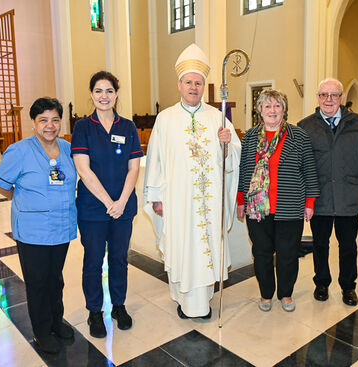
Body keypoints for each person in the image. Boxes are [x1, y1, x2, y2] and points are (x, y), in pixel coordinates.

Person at [143, 43, 241, 319]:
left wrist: (226, 145)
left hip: (210, 202)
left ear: (203, 86)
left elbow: (233, 158)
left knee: (206, 245)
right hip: (178, 200)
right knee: (183, 246)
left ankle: (203, 301)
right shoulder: (165, 119)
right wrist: (155, 197)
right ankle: (183, 300)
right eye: (189, 82)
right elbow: (156, 160)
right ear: (179, 84)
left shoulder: (217, 117)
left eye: (198, 83)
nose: (194, 87)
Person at [0, 97, 77, 354]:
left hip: (61, 226)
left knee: (55, 278)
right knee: (37, 281)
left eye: (55, 120)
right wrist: (21, 199)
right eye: (43, 120)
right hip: (33, 230)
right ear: (33, 123)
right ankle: (41, 331)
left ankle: (55, 321)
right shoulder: (20, 150)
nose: (50, 125)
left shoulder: (67, 147)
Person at [71, 71, 142, 338]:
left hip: (122, 209)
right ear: (91, 95)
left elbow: (133, 168)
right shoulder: (83, 127)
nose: (104, 96)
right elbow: (83, 169)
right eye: (99, 91)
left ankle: (118, 306)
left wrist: (121, 202)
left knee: (119, 259)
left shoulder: (128, 127)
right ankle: (94, 311)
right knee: (93, 260)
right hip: (92, 209)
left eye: (109, 91)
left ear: (116, 94)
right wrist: (108, 202)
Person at [237, 89, 319, 312]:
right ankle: (266, 294)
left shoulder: (298, 136)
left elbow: (309, 170)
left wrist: (310, 202)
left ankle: (285, 294)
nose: (272, 111)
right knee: (262, 253)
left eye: (277, 106)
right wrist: (241, 200)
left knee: (288, 253)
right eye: (267, 106)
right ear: (260, 111)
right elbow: (244, 170)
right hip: (257, 208)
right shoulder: (250, 137)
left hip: (289, 206)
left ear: (284, 110)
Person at [298, 78, 358, 306]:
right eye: (324, 95)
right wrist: (304, 199)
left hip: (348, 196)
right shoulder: (305, 126)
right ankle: (321, 283)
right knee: (320, 244)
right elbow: (300, 167)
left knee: (348, 246)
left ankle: (348, 286)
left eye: (334, 95)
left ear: (341, 98)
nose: (329, 99)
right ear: (318, 97)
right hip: (319, 197)